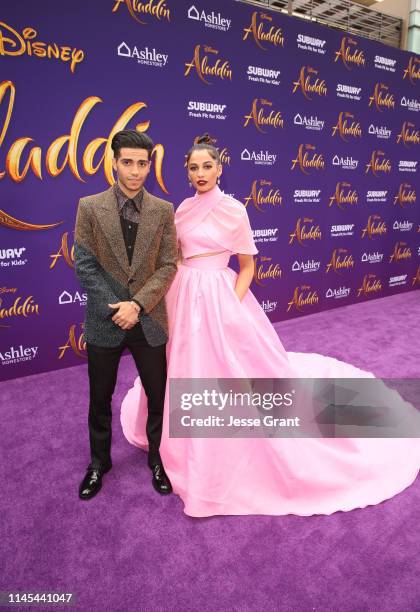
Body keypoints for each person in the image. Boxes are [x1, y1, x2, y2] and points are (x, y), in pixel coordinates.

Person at [120, 134, 420, 517]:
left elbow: (247, 267)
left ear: (219, 168)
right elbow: (175, 258)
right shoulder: (181, 209)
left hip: (220, 296)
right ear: (187, 171)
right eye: (193, 167)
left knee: (230, 370)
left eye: (207, 166)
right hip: (182, 296)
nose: (200, 173)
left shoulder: (234, 210)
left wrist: (231, 304)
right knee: (179, 367)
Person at [74, 129, 177, 500]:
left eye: (142, 163)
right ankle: (98, 462)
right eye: (128, 162)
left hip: (148, 320)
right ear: (114, 162)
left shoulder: (164, 211)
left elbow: (168, 265)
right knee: (99, 396)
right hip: (106, 319)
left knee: (158, 394)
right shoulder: (89, 206)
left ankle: (158, 458)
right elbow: (84, 264)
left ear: (150, 165)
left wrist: (137, 305)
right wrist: (115, 308)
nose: (135, 171)